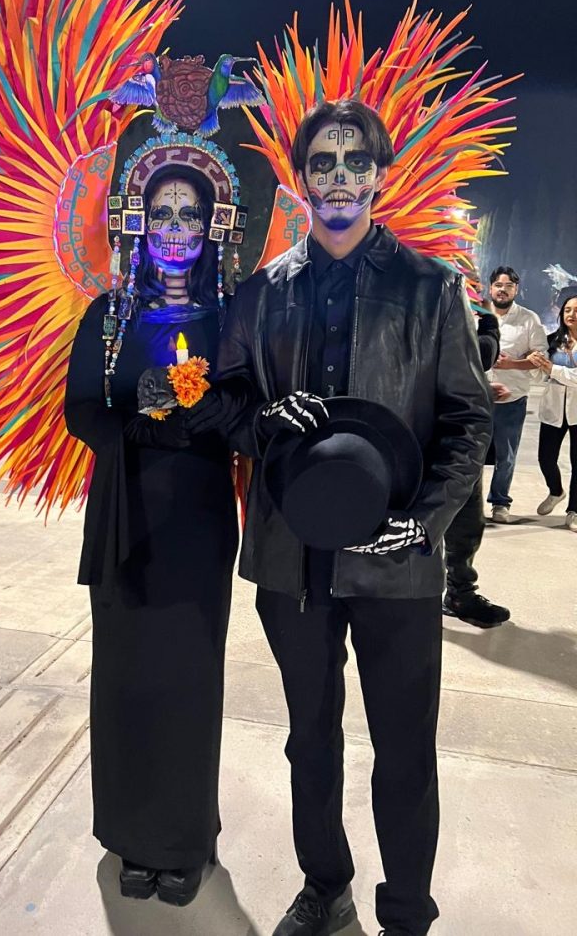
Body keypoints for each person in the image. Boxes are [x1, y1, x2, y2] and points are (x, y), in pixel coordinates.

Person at [215, 99, 492, 936]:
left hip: (398, 560)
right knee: (311, 739)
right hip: (290, 557)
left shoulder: (430, 287)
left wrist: (429, 518)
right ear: (301, 178)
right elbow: (226, 399)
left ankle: (406, 913)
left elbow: (468, 419)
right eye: (323, 162)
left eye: (355, 161)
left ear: (380, 173)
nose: (339, 177)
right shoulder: (262, 291)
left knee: (404, 747)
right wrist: (260, 422)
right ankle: (324, 884)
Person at [65, 161, 245, 907]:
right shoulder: (110, 316)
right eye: (163, 213)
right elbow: (81, 408)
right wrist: (132, 424)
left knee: (188, 679)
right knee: (126, 680)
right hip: (125, 520)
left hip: (198, 528)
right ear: (141, 223)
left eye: (189, 214)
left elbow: (248, 415)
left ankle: (184, 841)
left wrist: (207, 412)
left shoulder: (230, 318)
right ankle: (130, 837)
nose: (176, 229)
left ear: (210, 227)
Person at [442, 312, 512, 627]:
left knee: (467, 523)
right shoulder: (432, 299)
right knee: (440, 522)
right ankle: (438, 596)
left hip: (461, 437)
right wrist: (490, 325)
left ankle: (460, 594)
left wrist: (480, 386)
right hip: (435, 436)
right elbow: (481, 353)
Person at [486, 266, 547, 522]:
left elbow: (540, 357)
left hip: (512, 400)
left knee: (506, 456)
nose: (503, 290)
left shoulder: (529, 319)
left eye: (508, 286)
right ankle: (465, 503)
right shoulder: (476, 314)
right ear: (491, 288)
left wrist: (512, 364)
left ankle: (500, 502)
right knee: (468, 452)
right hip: (475, 397)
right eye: (499, 285)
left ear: (516, 290)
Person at [529, 295, 577, 531]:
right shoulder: (552, 341)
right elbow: (540, 376)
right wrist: (536, 364)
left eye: (576, 310)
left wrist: (552, 369)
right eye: (567, 310)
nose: (571, 314)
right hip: (553, 408)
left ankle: (574, 511)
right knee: (546, 458)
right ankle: (556, 491)